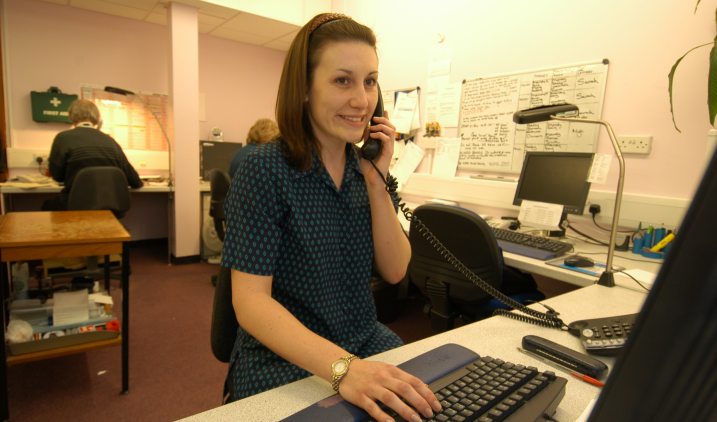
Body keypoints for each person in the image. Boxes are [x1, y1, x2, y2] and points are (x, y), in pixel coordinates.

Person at [220, 12, 442, 422]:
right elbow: (250, 303)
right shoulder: (265, 170)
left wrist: (378, 182)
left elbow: (396, 271)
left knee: (434, 407)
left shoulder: (365, 170)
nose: (362, 100)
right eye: (343, 80)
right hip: (283, 356)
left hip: (363, 340)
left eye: (370, 81)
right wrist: (344, 369)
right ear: (304, 89)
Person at [41, 99, 143, 211]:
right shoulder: (110, 142)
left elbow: (57, 175)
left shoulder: (63, 138)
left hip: (75, 206)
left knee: (47, 206)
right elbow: (135, 182)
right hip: (110, 207)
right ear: (98, 118)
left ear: (70, 116)